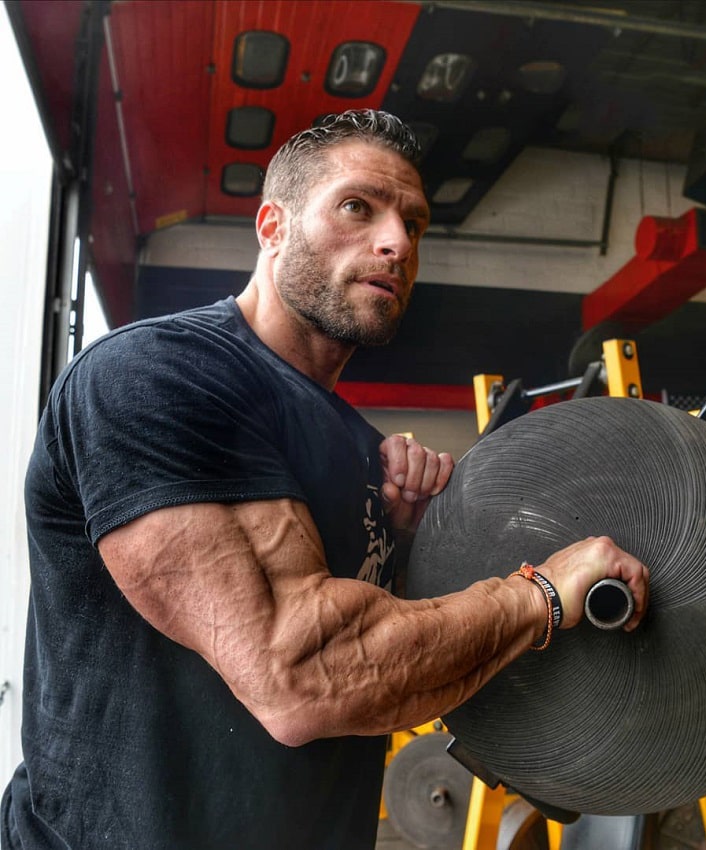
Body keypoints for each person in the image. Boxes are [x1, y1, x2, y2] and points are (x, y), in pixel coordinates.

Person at [1, 109, 649, 850]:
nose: (397, 242)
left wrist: (405, 542)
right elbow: (299, 676)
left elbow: (393, 666)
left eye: (415, 223)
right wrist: (541, 596)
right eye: (357, 206)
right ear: (272, 226)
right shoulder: (157, 377)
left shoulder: (356, 444)